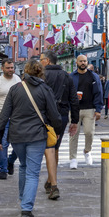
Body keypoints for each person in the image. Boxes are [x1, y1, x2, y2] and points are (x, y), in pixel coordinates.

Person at [0, 59, 62, 217]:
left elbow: (4, 116)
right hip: (36, 136)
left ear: (25, 72)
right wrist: (57, 130)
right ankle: (26, 207)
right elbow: (54, 114)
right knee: (32, 172)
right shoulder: (45, 89)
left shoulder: (15, 89)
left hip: (16, 136)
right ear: (40, 73)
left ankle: (23, 199)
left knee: (24, 166)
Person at [40, 51, 79, 200]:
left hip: (45, 115)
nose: (40, 62)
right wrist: (74, 121)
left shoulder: (42, 76)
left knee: (48, 148)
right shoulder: (66, 76)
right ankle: (51, 180)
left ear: (47, 61)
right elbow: (74, 99)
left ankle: (52, 182)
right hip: (61, 115)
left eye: (41, 59)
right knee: (54, 147)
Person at [69, 55, 103, 169]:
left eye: (84, 61)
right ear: (77, 62)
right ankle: (73, 158)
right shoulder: (72, 77)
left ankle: (87, 151)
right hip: (74, 109)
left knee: (89, 133)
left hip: (89, 109)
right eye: (81, 61)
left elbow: (98, 92)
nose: (83, 63)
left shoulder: (93, 76)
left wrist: (98, 109)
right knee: (74, 134)